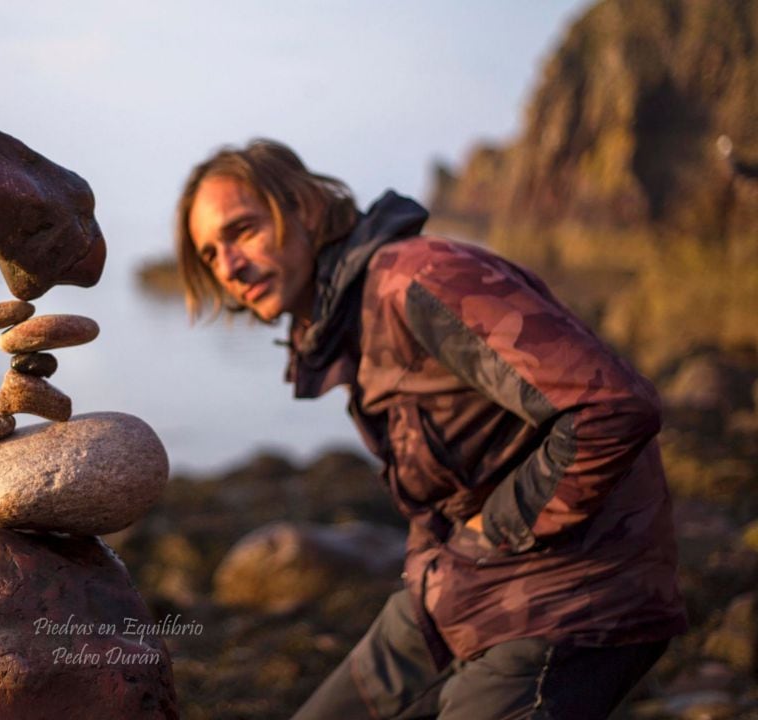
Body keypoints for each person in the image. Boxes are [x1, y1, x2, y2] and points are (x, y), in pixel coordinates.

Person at [175, 139, 687, 719]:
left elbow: (613, 407)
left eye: (242, 231)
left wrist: (493, 531)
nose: (230, 267)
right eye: (211, 255)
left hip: (570, 600)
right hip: (453, 594)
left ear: (303, 207)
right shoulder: (342, 322)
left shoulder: (419, 281)